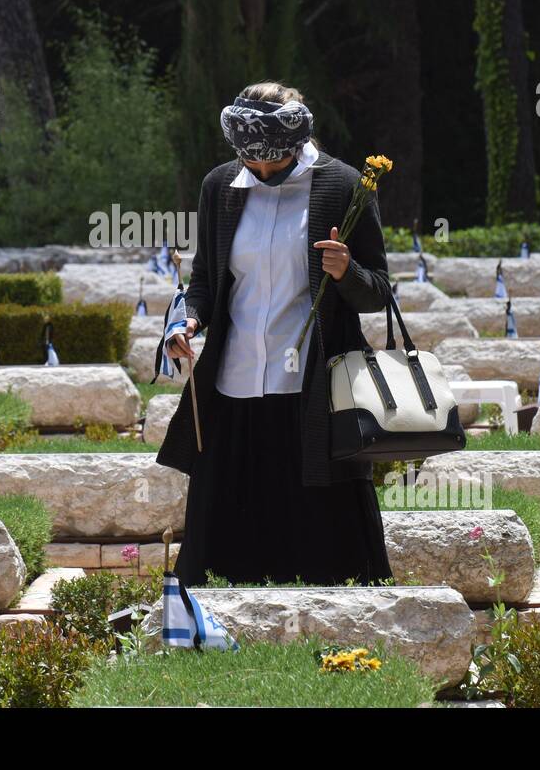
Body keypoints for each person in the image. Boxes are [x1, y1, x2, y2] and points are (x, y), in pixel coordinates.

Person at [157, 81, 395, 588]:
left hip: (312, 388)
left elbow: (377, 293)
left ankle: (329, 621)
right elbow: (206, 281)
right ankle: (220, 624)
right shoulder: (221, 186)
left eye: (270, 164)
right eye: (251, 164)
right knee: (222, 528)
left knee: (320, 536)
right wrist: (187, 321)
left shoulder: (345, 187)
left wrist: (345, 270)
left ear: (294, 146)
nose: (260, 174)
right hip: (234, 382)